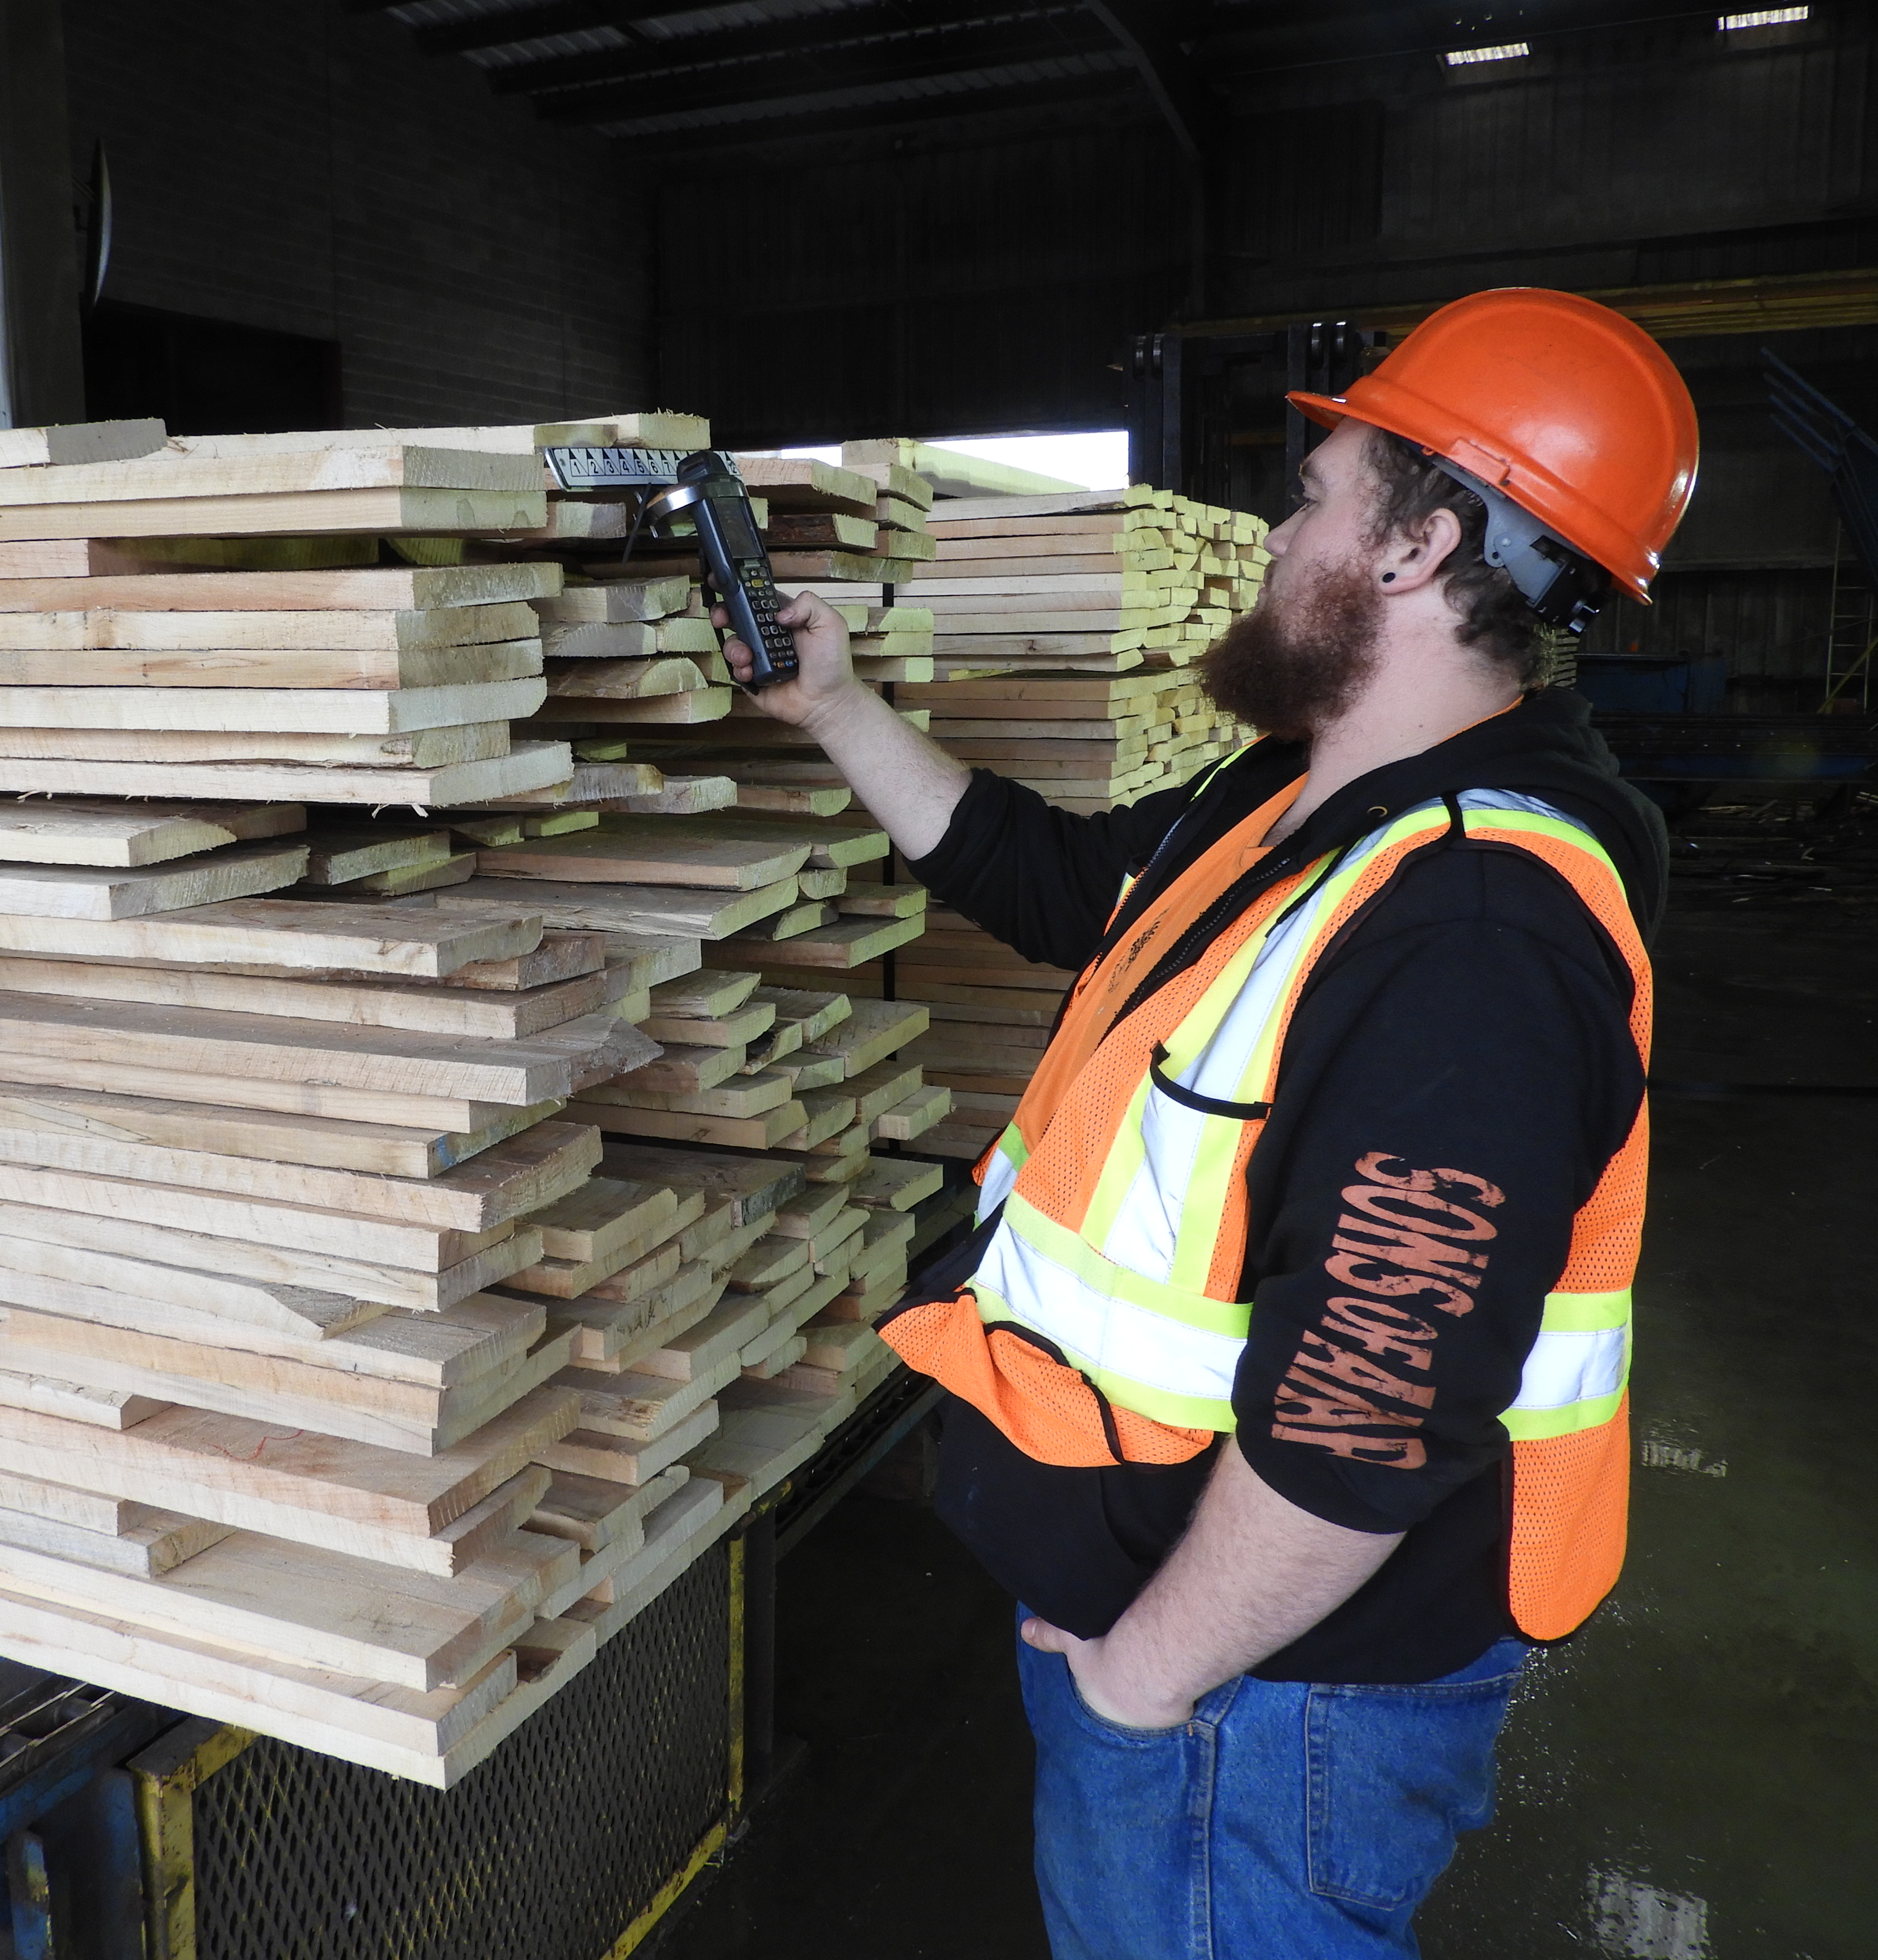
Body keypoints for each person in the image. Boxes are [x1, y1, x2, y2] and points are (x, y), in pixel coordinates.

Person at [711, 288, 1697, 1958]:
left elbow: (1372, 1407)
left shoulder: (1475, 923)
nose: (1272, 534)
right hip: (1196, 1647)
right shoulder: (1299, 796)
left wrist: (1139, 1684)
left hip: (1266, 1704)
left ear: (1418, 545)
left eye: (1314, 494)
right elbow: (1068, 888)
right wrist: (837, 711)